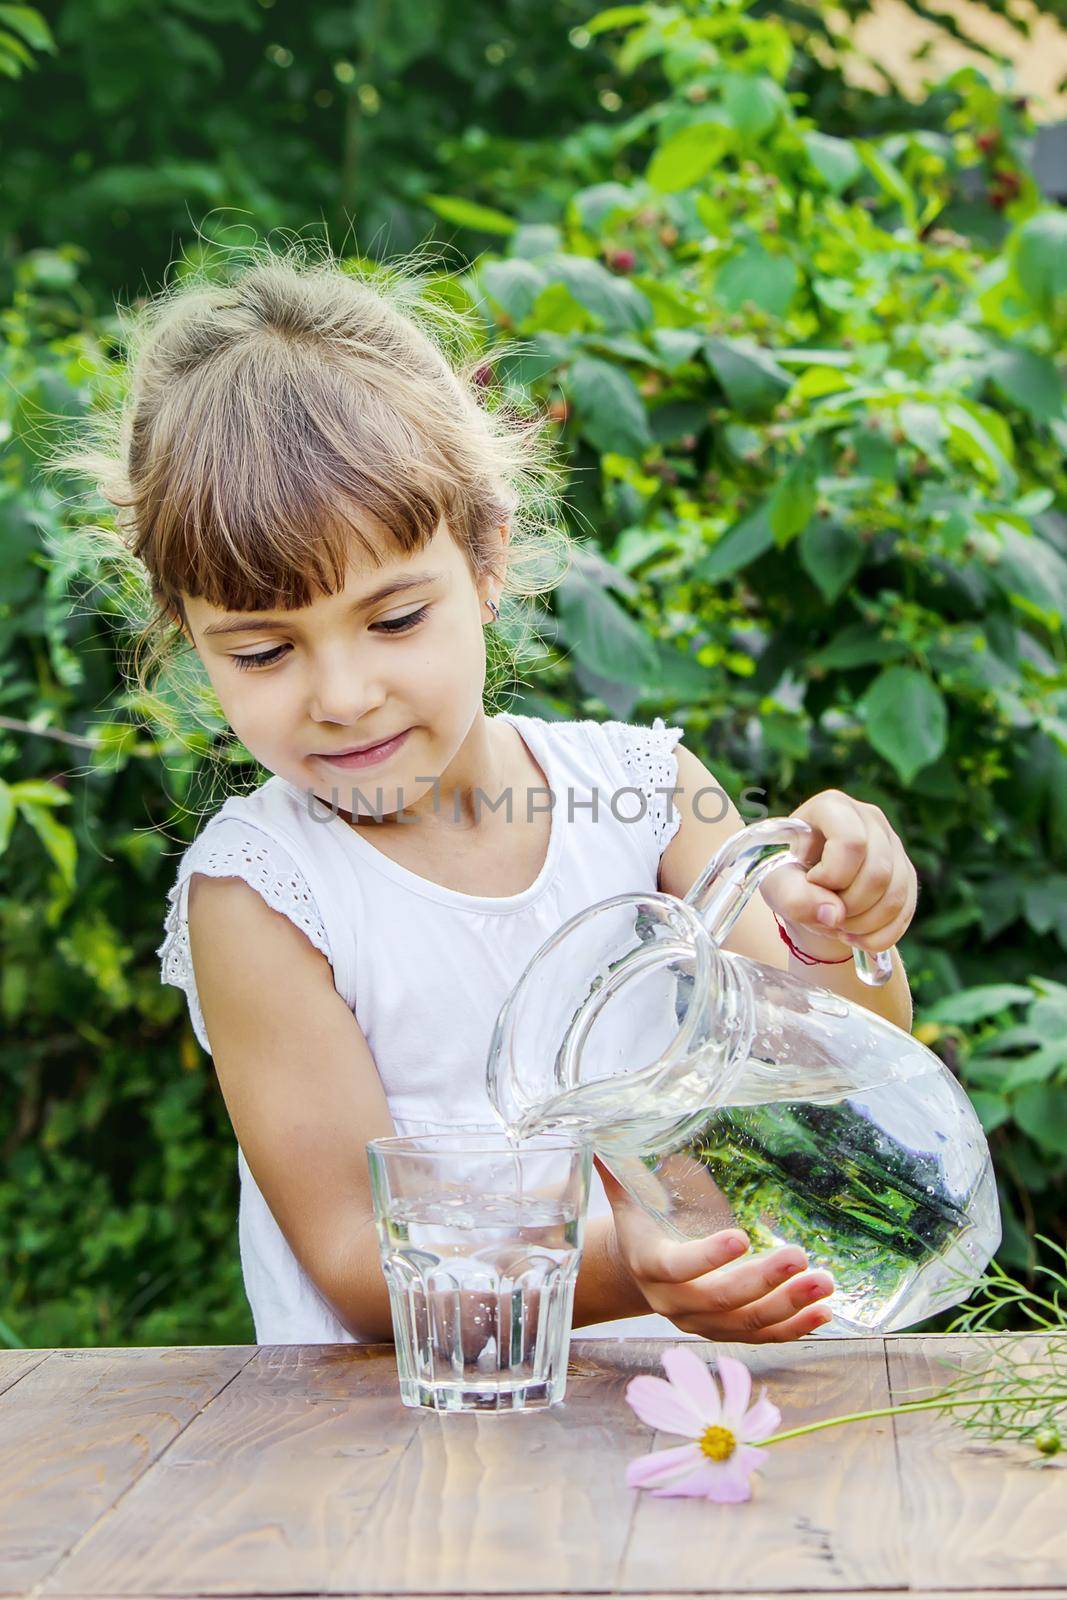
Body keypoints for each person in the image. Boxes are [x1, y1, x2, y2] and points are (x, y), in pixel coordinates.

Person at [56, 243, 919, 1349]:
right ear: (189, 640)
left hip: (683, 1431)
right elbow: (360, 1261)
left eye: (394, 619)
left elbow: (843, 1056)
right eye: (264, 653)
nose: (343, 694)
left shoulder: (645, 792)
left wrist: (845, 927)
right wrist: (634, 1270)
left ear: (486, 557)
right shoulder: (259, 897)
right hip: (404, 1460)